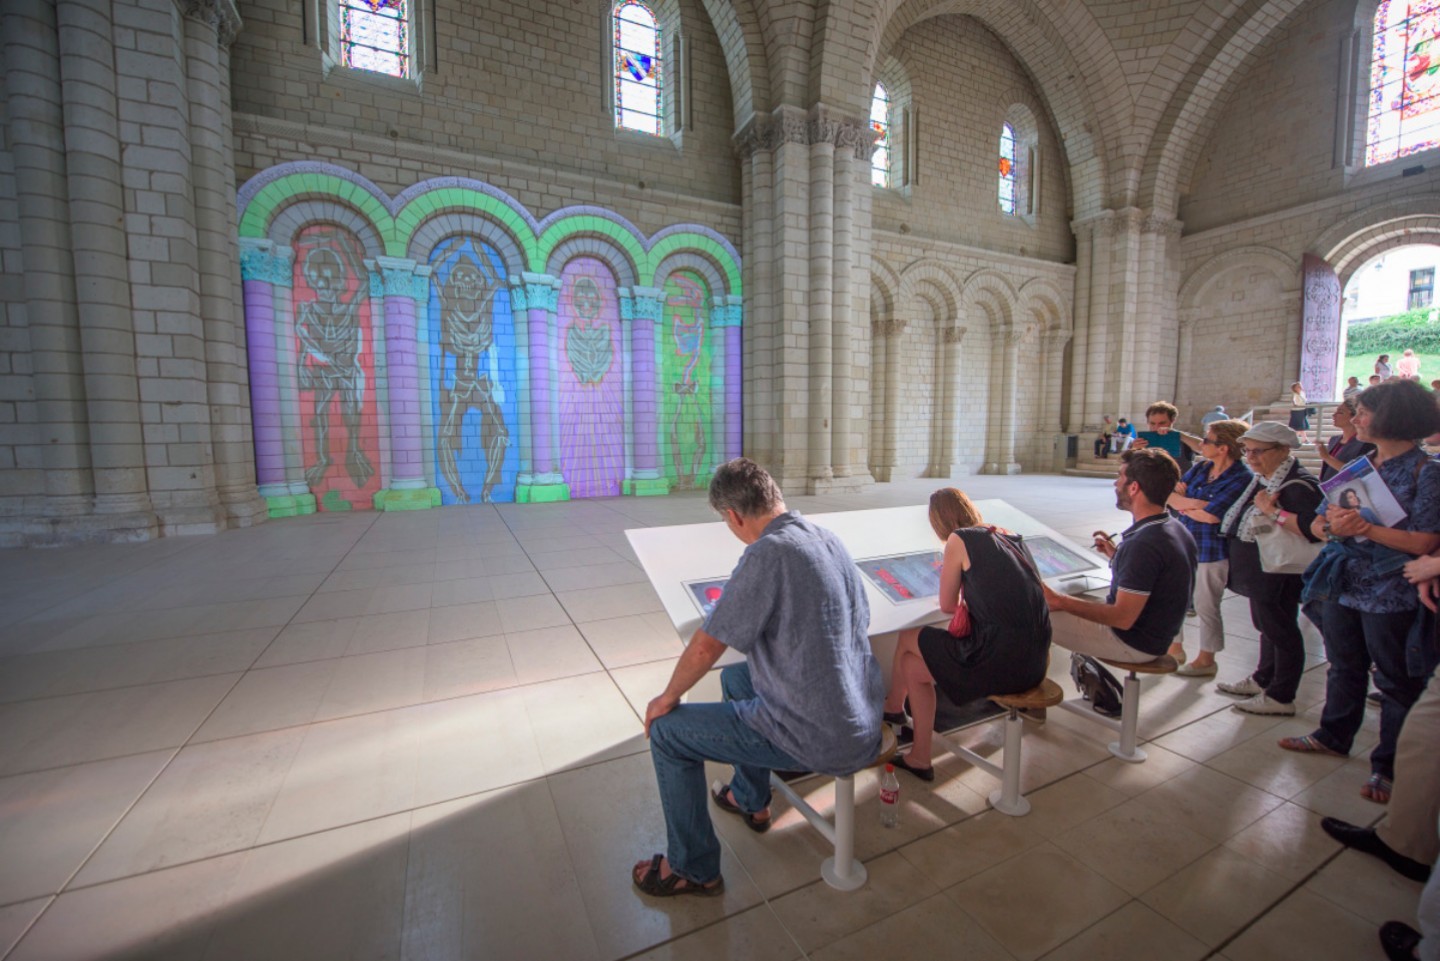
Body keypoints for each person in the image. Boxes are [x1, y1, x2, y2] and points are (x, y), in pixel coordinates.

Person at [632, 458, 883, 897]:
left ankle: (692, 868)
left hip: (818, 735)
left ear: (733, 515)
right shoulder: (826, 538)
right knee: (737, 682)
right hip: (862, 717)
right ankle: (752, 800)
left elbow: (708, 645)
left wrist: (667, 697)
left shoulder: (767, 553)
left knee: (669, 733)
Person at [1286, 379, 1440, 805]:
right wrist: (1330, 526)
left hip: (1391, 590)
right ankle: (1333, 734)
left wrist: (1368, 529)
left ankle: (1388, 766)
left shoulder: (1426, 472)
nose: (1355, 419)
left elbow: (1426, 542)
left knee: (1395, 681)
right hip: (1345, 582)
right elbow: (1319, 524)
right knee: (1343, 664)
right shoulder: (1358, 463)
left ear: (1393, 417)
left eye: (1363, 412)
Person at [881, 488, 1052, 780]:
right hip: (1036, 663)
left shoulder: (960, 539)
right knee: (912, 666)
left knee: (909, 637)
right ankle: (920, 757)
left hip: (997, 659)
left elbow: (948, 604)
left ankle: (893, 708)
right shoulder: (1010, 536)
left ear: (939, 520)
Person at [1043, 448, 1197, 664]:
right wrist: (1116, 555)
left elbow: (1122, 618)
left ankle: (1016, 685)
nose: (1116, 484)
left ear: (1134, 488)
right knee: (1074, 599)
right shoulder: (1174, 527)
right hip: (1156, 633)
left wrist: (1058, 600)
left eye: (1120, 477)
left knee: (1030, 612)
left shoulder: (1144, 544)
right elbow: (1152, 575)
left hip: (1133, 642)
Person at [1214, 422, 1325, 715]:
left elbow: (1312, 530)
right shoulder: (1265, 479)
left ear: (1283, 450)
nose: (1250, 458)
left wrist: (1272, 511)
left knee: (1282, 631)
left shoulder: (1298, 485)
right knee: (1267, 627)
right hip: (1262, 571)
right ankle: (1264, 678)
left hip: (1278, 572)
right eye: (1247, 451)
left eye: (1258, 452)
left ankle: (1281, 695)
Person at [1165, 419, 1252, 676]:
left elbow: (1213, 516)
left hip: (1212, 549)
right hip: (1184, 542)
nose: (1201, 444)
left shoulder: (1241, 476)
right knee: (1174, 600)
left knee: (1206, 605)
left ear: (1224, 447)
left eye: (1207, 440)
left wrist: (1185, 502)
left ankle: (1206, 659)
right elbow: (1170, 497)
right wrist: (1194, 503)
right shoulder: (1203, 467)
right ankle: (1174, 649)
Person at [1316, 397, 1376, 483]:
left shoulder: (1365, 443)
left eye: (1340, 412)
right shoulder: (1334, 439)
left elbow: (1358, 472)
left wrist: (1327, 457)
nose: (1334, 415)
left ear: (1354, 416)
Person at [1132, 401, 1192, 469]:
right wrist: (1134, 450)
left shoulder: (1184, 439)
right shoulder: (1141, 441)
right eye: (1152, 423)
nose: (1157, 427)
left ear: (1172, 421)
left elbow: (1202, 448)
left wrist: (1179, 435)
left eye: (1162, 423)